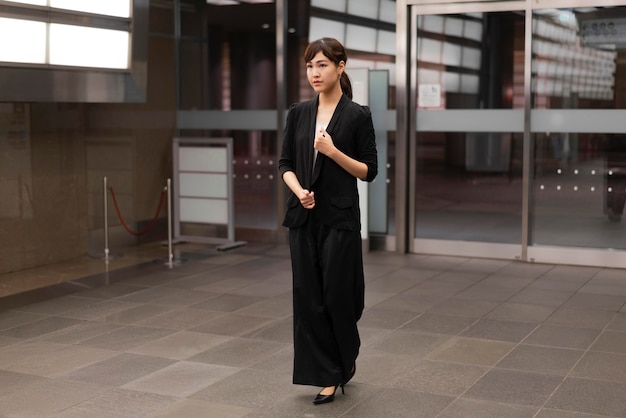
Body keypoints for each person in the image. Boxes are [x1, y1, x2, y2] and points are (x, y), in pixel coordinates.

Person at [278, 37, 378, 405]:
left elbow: (369, 171)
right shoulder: (299, 113)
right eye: (309, 66)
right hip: (303, 217)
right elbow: (285, 164)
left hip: (339, 220)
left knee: (338, 296)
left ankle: (341, 363)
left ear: (341, 66)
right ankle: (326, 373)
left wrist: (333, 151)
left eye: (322, 64)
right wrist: (298, 189)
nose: (314, 73)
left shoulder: (357, 115)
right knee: (308, 297)